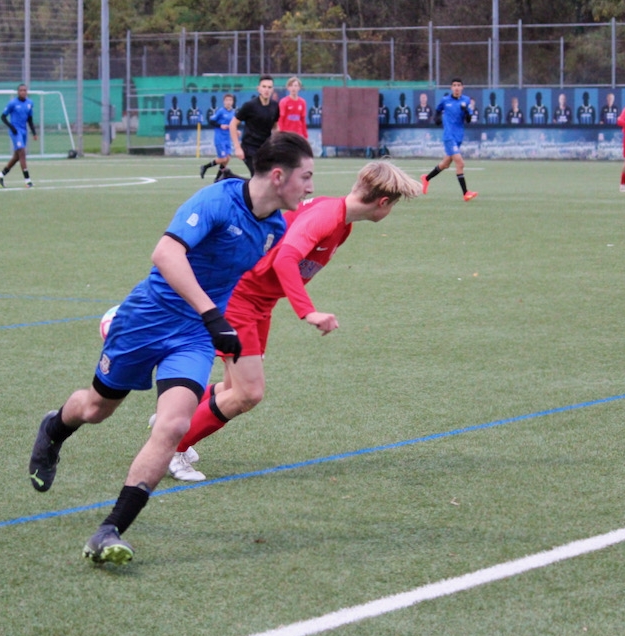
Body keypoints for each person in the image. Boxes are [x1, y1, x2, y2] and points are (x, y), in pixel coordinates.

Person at [27, 133, 315, 566]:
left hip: (194, 335)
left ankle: (110, 530)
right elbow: (165, 253)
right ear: (278, 176)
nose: (310, 186)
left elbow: (232, 279)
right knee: (96, 409)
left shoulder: (274, 227)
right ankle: (53, 430)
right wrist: (212, 314)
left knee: (174, 424)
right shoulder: (216, 200)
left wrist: (225, 320)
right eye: (305, 176)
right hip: (146, 319)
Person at [158, 161, 423, 481]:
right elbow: (285, 259)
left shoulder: (341, 222)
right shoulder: (327, 216)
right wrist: (308, 311)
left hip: (259, 301)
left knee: (233, 387)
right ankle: (171, 448)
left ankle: (170, 415)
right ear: (383, 202)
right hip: (241, 298)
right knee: (248, 393)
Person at [422, 77, 477, 202]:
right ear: (451, 88)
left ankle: (426, 178)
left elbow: (469, 120)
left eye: (459, 85)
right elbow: (437, 111)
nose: (456, 87)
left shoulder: (466, 100)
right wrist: (436, 119)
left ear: (462, 87)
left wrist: (466, 111)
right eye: (454, 85)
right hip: (449, 136)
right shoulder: (445, 100)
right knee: (460, 163)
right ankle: (466, 193)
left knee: (445, 164)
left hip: (458, 137)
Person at [229, 75, 280, 177]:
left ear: (272, 90)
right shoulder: (250, 106)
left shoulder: (275, 106)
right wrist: (237, 147)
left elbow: (275, 126)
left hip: (265, 147)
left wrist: (277, 142)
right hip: (249, 147)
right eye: (264, 87)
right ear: (258, 89)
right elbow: (233, 124)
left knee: (268, 176)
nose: (266, 90)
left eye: (269, 87)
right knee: (259, 176)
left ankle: (229, 175)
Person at [0, 84, 37, 189]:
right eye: (21, 90)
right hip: (15, 132)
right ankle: (28, 181)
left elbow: (30, 119)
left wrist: (34, 133)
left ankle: (0, 176)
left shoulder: (30, 103)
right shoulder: (12, 103)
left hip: (23, 132)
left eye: (25, 90)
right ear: (18, 92)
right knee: (22, 153)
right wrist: (11, 127)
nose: (23, 92)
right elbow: (3, 117)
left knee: (17, 157)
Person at [199, 93, 235, 180]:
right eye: (227, 100)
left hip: (227, 139)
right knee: (223, 159)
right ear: (223, 102)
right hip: (220, 138)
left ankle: (217, 178)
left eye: (230, 100)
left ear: (232, 102)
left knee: (228, 158)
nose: (228, 102)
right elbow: (211, 121)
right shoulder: (221, 111)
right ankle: (205, 167)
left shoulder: (233, 112)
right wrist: (220, 125)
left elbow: (232, 124)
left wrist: (235, 131)